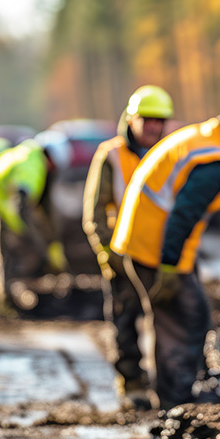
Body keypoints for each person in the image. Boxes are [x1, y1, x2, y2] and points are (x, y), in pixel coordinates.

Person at [110, 104, 220, 410]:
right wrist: (170, 265)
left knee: (175, 318)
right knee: (186, 319)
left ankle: (175, 394)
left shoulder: (204, 139)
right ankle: (177, 402)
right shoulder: (215, 162)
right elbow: (183, 215)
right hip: (154, 249)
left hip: (142, 240)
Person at [82, 84, 175, 409]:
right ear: (132, 119)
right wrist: (108, 255)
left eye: (159, 120)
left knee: (168, 321)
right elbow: (94, 212)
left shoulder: (170, 154)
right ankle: (132, 384)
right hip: (124, 255)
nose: (153, 126)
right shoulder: (111, 154)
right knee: (125, 323)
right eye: (147, 119)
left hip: (162, 255)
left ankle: (169, 386)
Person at [0, 132, 72, 312]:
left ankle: (7, 295)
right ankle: (3, 302)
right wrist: (37, 243)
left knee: (9, 253)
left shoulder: (29, 155)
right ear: (51, 159)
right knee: (4, 254)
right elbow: (22, 204)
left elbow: (42, 206)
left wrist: (50, 240)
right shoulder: (32, 166)